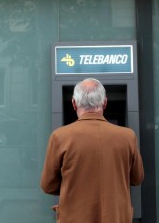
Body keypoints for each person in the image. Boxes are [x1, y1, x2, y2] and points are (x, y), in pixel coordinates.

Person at [40, 78, 144, 223]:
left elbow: (48, 185)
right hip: (116, 217)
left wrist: (74, 186)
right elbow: (137, 178)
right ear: (105, 103)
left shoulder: (60, 137)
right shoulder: (128, 136)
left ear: (74, 103)